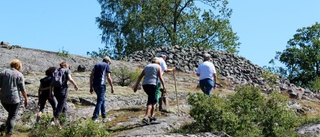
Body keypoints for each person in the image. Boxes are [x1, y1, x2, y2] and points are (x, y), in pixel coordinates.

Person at [133, 57, 166, 124]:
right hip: (153, 84)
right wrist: (164, 86)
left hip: (145, 85)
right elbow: (160, 77)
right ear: (157, 62)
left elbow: (140, 76)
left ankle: (152, 117)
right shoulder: (158, 67)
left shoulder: (147, 66)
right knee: (151, 101)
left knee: (153, 99)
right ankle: (146, 117)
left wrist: (136, 86)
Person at [0, 59, 28, 137]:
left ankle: (5, 128)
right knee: (12, 117)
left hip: (3, 98)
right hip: (14, 99)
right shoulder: (19, 75)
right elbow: (22, 89)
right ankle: (8, 134)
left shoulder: (4, 72)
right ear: (18, 66)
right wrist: (26, 99)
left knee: (10, 115)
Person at [89, 56, 114, 123]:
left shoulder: (96, 65)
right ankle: (95, 117)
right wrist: (112, 87)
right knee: (100, 100)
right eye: (109, 63)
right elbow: (108, 77)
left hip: (95, 85)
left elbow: (91, 76)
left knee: (102, 99)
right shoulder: (106, 65)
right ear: (108, 61)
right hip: (101, 85)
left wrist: (91, 87)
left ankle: (104, 116)